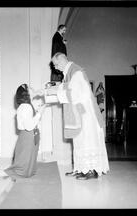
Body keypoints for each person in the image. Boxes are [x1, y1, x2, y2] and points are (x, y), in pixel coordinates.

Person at [48, 52, 109, 180]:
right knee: (79, 141)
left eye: (56, 64)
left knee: (87, 140)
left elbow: (76, 94)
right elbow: (69, 89)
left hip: (86, 114)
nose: (55, 67)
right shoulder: (69, 73)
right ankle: (81, 168)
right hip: (80, 113)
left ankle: (91, 171)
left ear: (63, 60)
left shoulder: (76, 72)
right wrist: (57, 90)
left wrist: (58, 92)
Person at [0, 84, 46, 185]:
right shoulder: (26, 107)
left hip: (29, 137)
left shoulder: (26, 106)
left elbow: (21, 125)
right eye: (30, 88)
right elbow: (28, 126)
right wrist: (39, 113)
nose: (33, 88)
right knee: (22, 168)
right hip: (28, 138)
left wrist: (36, 111)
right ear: (26, 93)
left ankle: (8, 174)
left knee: (25, 167)